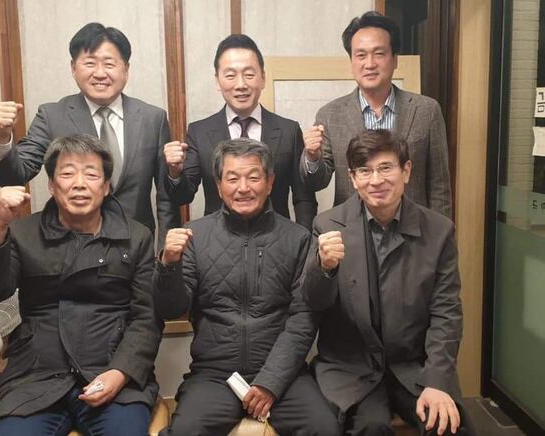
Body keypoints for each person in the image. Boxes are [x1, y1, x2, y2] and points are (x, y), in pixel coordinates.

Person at [0, 135, 162, 436]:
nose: (79, 184)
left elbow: (146, 318)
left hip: (110, 373)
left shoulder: (136, 237)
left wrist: (120, 373)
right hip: (36, 378)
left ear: (106, 186)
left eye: (91, 174)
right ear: (51, 184)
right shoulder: (23, 232)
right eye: (68, 173)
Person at [154, 139, 338, 435]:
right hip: (214, 376)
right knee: (185, 430)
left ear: (270, 182)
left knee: (325, 428)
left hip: (284, 376)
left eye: (253, 177)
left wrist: (270, 383)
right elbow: (171, 309)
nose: (243, 188)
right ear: (218, 185)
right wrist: (169, 264)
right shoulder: (194, 236)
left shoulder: (298, 239)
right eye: (232, 178)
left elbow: (303, 320)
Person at [303, 130, 474, 435]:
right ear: (353, 178)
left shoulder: (438, 231)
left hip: (415, 366)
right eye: (364, 171)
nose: (376, 180)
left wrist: (437, 381)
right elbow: (313, 302)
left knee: (448, 426)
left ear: (406, 171)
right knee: (372, 427)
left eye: (385, 168)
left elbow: (447, 314)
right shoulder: (328, 225)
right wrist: (324, 267)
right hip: (352, 369)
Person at [0, 22, 179, 247]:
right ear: (73, 68)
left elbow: (166, 198)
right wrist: (2, 137)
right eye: (90, 63)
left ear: (126, 69)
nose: (100, 73)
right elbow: (14, 177)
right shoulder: (52, 116)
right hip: (70, 246)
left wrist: (164, 252)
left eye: (109, 64)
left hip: (134, 246)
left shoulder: (152, 118)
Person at [301, 11, 452, 218]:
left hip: (413, 230)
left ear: (395, 59)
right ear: (352, 62)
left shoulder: (426, 110)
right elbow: (316, 182)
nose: (370, 64)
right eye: (361, 55)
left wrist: (440, 233)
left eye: (379, 54)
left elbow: (439, 186)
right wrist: (312, 157)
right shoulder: (330, 114)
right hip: (353, 228)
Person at [164, 34, 317, 230]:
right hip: (217, 240)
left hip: (276, 239)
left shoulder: (289, 130)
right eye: (230, 76)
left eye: (249, 74)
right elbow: (183, 196)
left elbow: (304, 198)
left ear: (263, 78)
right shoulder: (199, 132)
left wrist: (303, 239)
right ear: (218, 81)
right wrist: (174, 172)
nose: (241, 85)